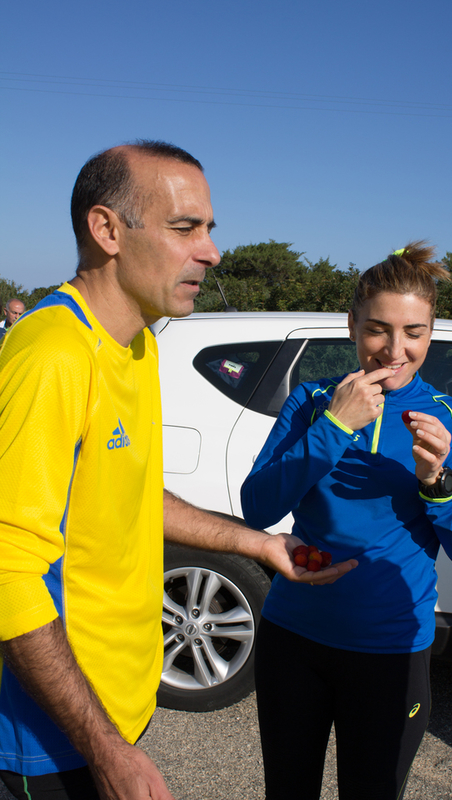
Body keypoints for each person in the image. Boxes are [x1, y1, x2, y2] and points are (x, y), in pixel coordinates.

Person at [0, 140, 357, 800]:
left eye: (209, 230)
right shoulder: (51, 354)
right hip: (48, 741)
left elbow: (134, 498)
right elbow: (9, 570)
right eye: (183, 227)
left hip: (110, 708)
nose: (211, 251)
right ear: (106, 229)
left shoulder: (135, 345)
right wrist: (103, 749)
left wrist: (262, 544)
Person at [241, 242, 452, 800]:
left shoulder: (451, 417)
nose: (395, 350)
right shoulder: (312, 402)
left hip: (391, 650)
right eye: (379, 329)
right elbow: (256, 506)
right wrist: (333, 426)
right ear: (352, 323)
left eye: (414, 333)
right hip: (294, 638)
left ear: (432, 333)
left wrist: (438, 483)